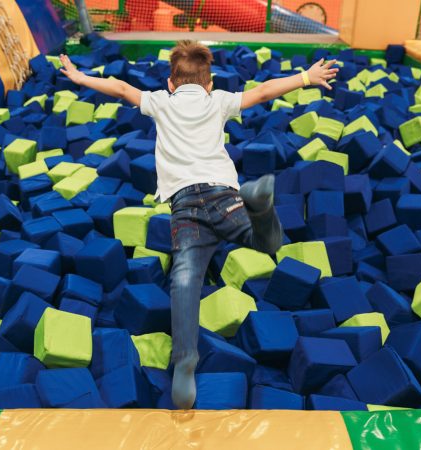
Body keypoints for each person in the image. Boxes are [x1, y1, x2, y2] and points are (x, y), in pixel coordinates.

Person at [59, 41, 338, 409]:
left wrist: (80, 76)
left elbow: (122, 88)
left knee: (185, 281)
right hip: (226, 197)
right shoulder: (217, 100)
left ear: (171, 84)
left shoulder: (161, 101)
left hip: (186, 206)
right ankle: (259, 208)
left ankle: (185, 361)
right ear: (208, 84)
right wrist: (306, 76)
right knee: (267, 244)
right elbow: (264, 90)